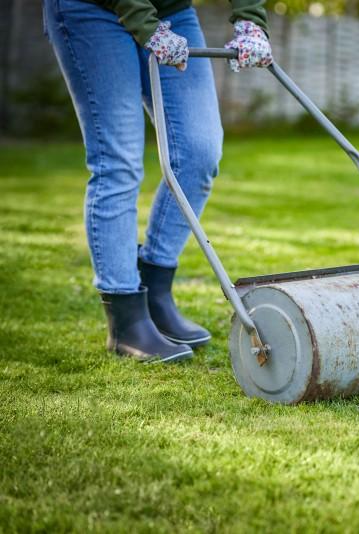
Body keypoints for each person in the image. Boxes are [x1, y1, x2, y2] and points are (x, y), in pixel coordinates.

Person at [43, 0, 273, 363]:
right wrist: (145, 26)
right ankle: (126, 320)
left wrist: (250, 19)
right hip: (90, 9)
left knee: (199, 152)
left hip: (172, 9)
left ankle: (155, 293)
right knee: (117, 161)